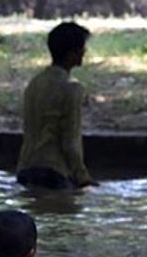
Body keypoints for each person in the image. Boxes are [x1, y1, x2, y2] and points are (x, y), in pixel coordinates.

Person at [16, 22, 96, 189]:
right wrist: (83, 177)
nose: (85, 51)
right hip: (54, 173)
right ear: (72, 53)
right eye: (82, 47)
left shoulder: (35, 83)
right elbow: (70, 140)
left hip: (25, 168)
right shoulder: (71, 89)